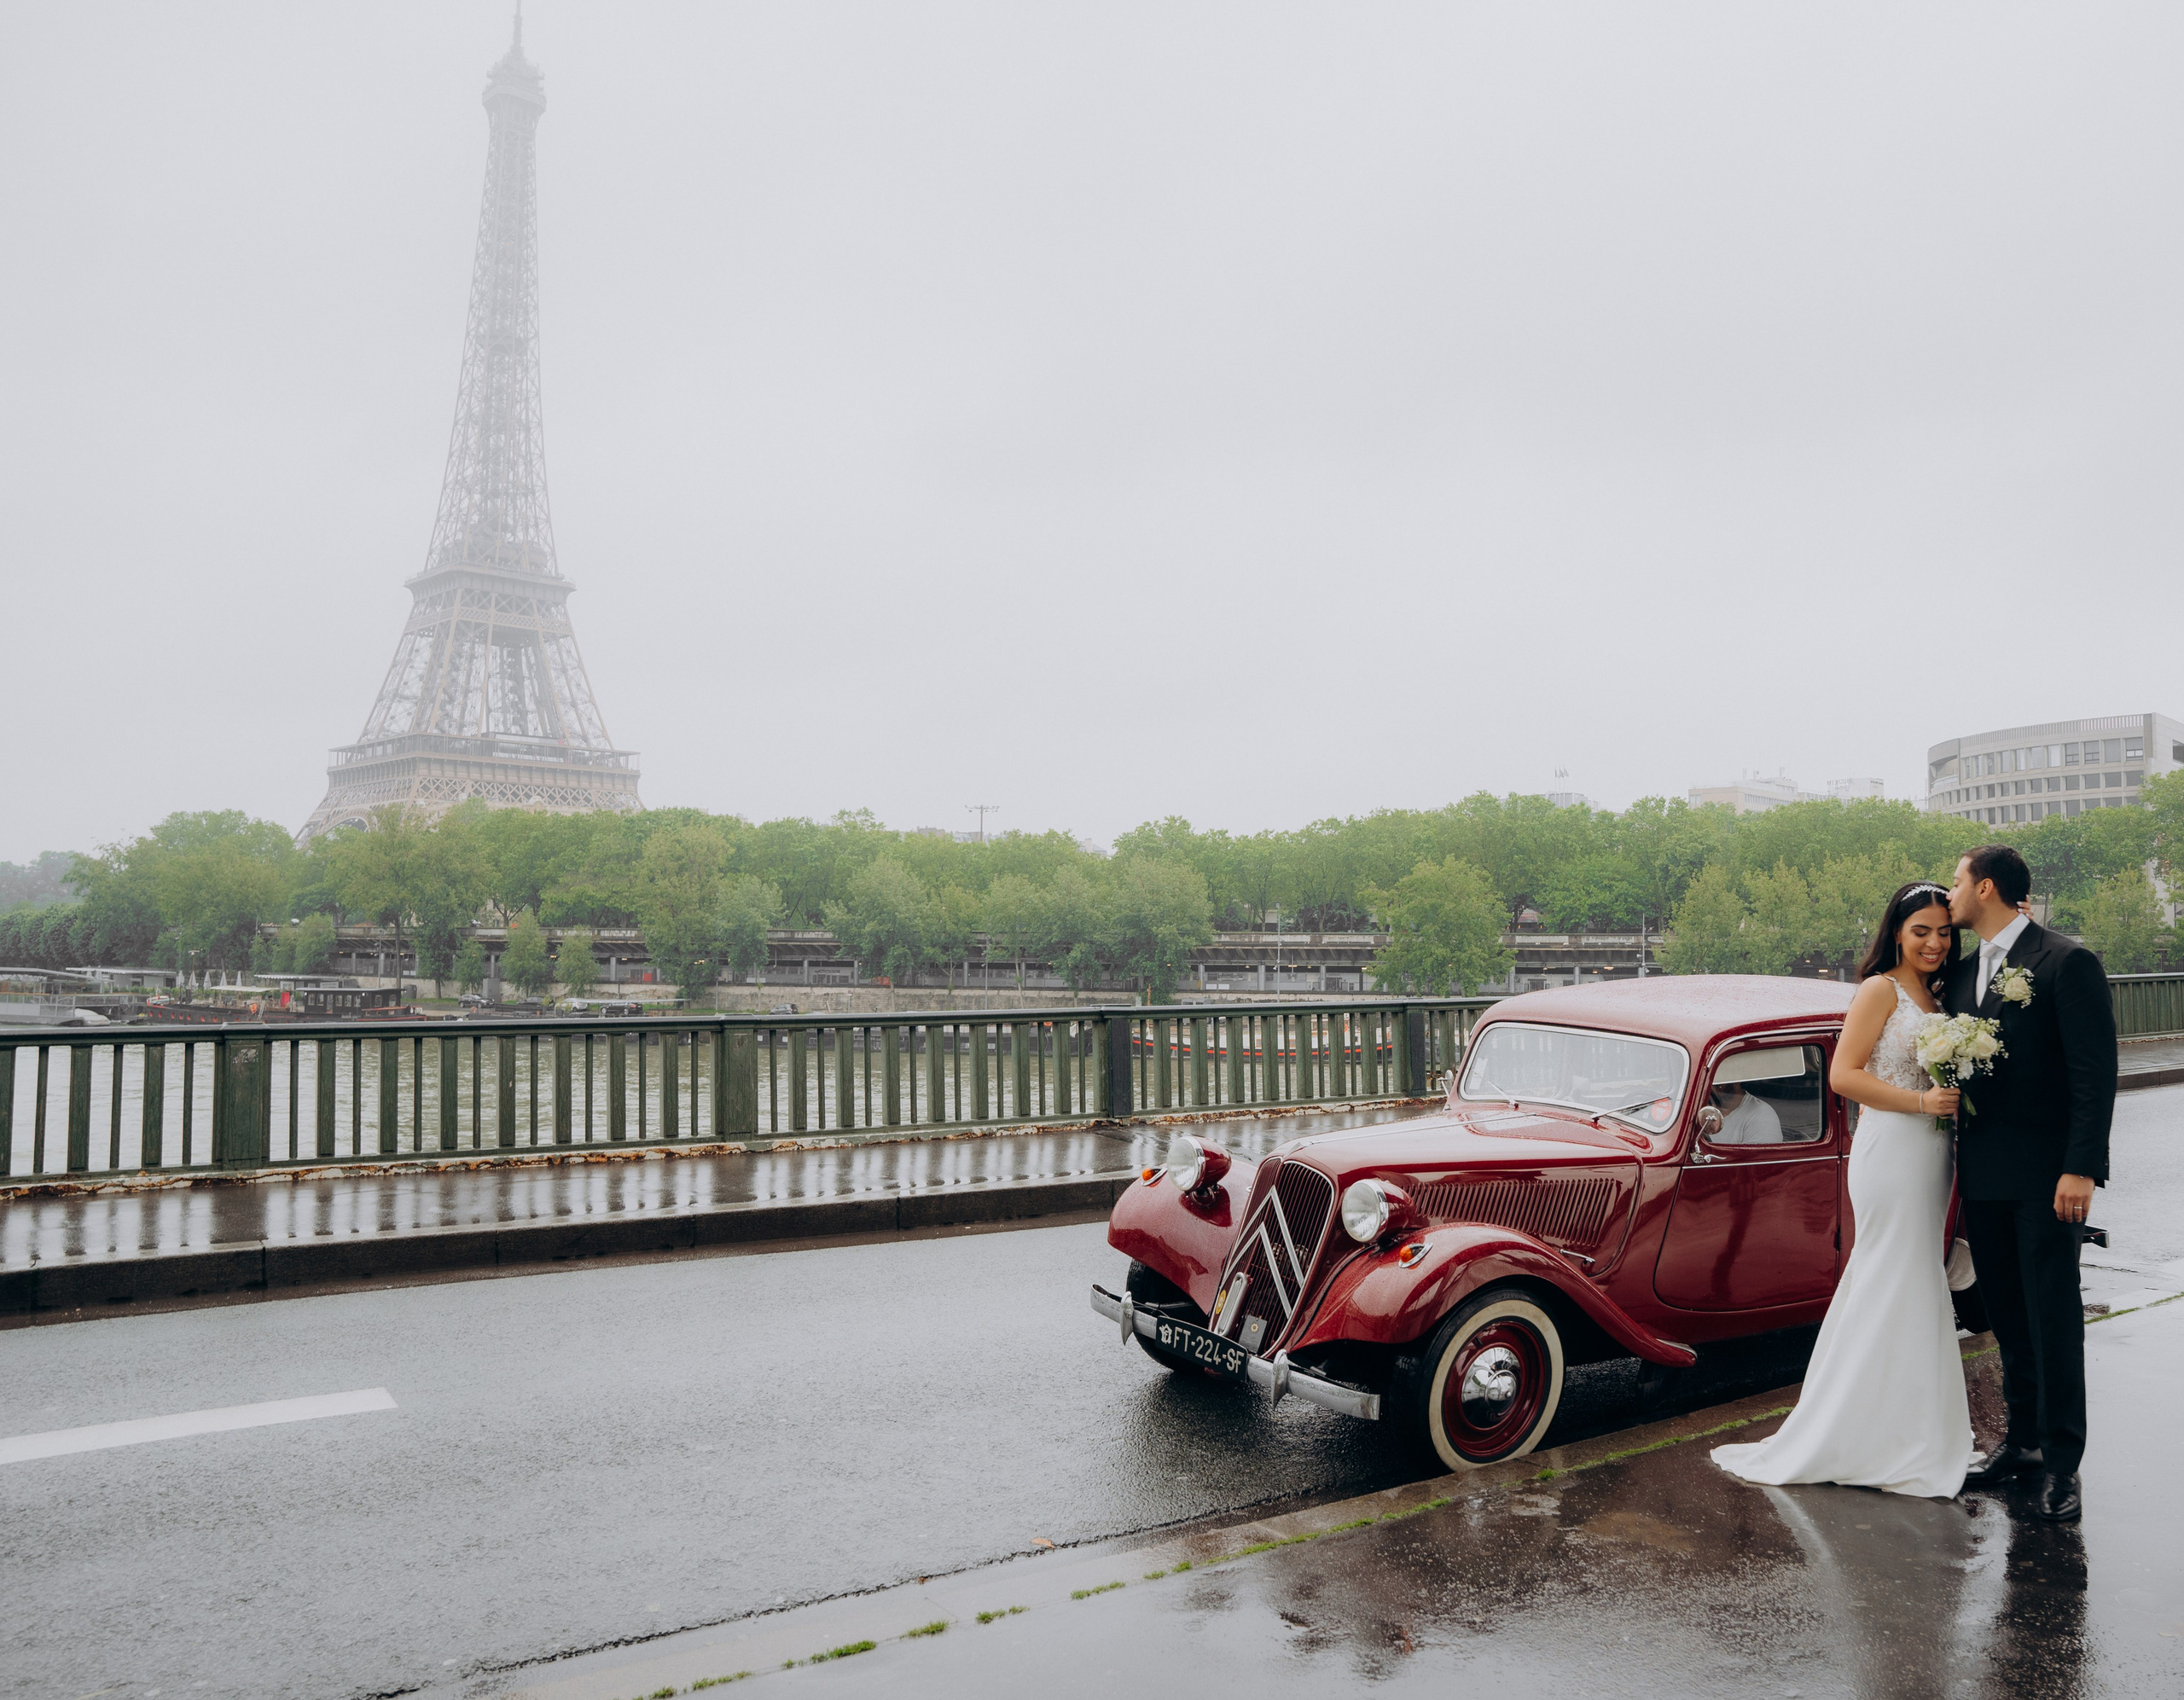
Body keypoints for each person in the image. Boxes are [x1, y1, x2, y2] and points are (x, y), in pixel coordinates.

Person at [1713, 880, 1974, 1498]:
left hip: (1932, 1151)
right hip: (1891, 1148)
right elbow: (1843, 1075)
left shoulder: (1935, 994)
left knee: (1915, 1277)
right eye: (1921, 931)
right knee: (1893, 1273)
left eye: (1943, 931)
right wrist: (1921, 1099)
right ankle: (1866, 1433)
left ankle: (1913, 1427)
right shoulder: (1879, 989)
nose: (1935, 942)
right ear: (1897, 933)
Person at [1944, 844, 2115, 1525]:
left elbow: (2093, 1074)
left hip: (2048, 1179)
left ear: (1985, 888)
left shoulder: (2065, 961)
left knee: (2052, 1318)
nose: (1950, 891)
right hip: (1983, 1176)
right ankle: (2021, 1445)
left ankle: (2064, 1467)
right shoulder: (1960, 975)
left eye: (1957, 880)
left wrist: (2082, 1167)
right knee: (2008, 1318)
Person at [1706, 1079, 1784, 1144]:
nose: (1712, 1087)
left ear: (1736, 1080)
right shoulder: (1702, 1105)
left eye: (1718, 1083)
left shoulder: (1763, 1114)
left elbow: (1755, 1158)